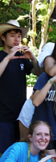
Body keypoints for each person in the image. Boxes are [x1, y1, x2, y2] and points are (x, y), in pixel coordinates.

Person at [0, 20, 40, 154]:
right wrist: (8, 58)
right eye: (12, 35)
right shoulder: (1, 56)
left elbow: (39, 73)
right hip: (3, 115)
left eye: (18, 36)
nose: (17, 39)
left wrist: (33, 58)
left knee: (19, 152)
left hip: (21, 114)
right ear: (3, 37)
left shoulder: (21, 56)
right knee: (4, 154)